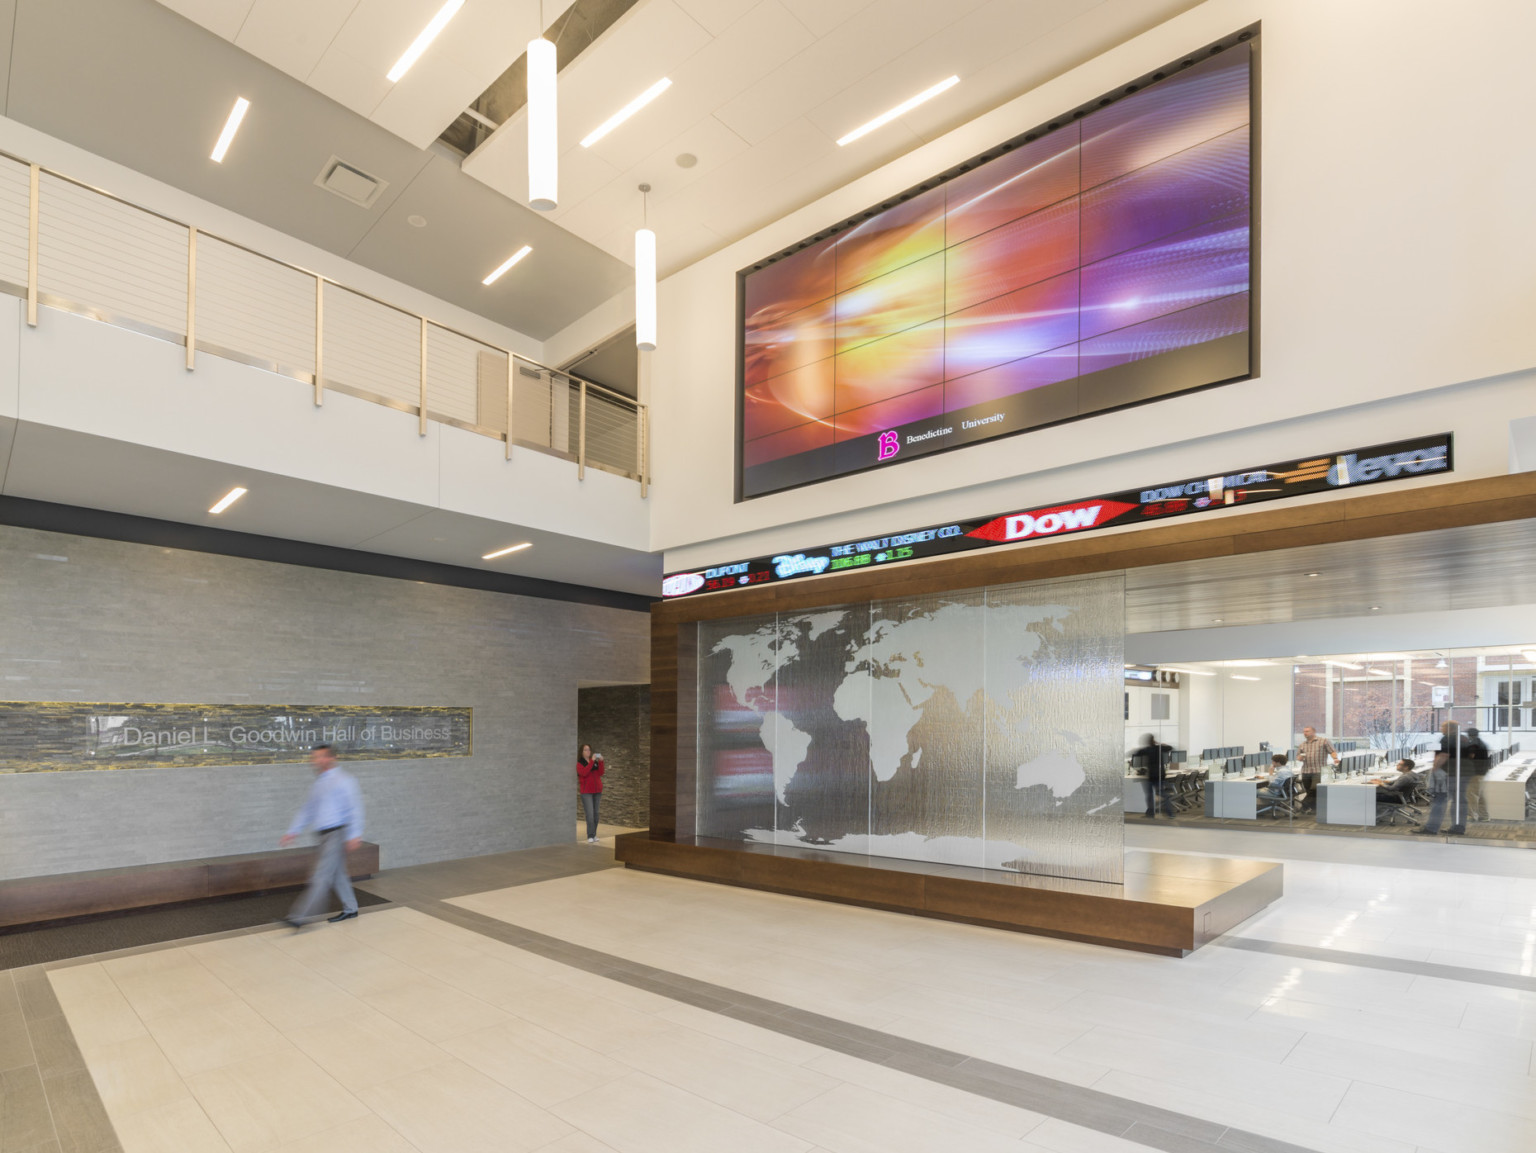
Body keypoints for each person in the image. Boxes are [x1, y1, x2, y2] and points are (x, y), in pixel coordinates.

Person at [280, 744, 364, 928]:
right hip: (323, 835)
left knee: (321, 876)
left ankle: (298, 917)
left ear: (330, 758)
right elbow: (308, 810)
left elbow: (354, 808)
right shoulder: (319, 783)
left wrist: (355, 835)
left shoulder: (344, 780)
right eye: (314, 757)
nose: (315, 761)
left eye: (318, 757)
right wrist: (293, 831)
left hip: (337, 833)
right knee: (337, 875)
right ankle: (351, 909)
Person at [1417, 721, 1470, 835]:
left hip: (1449, 774)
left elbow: (1443, 755)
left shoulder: (1447, 738)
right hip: (1463, 774)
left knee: (1440, 800)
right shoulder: (1464, 738)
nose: (1441, 728)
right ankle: (1458, 827)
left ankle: (1431, 828)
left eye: (1442, 726)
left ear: (1449, 728)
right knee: (1459, 801)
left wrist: (1435, 769)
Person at [1295, 726, 1340, 812]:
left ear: (1313, 732)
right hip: (1306, 771)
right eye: (1304, 732)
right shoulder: (1302, 745)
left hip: (1318, 771)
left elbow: (1332, 751)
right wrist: (1299, 758)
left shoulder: (1323, 741)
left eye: (1307, 731)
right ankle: (1313, 809)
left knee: (1314, 790)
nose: (1305, 733)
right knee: (1308, 791)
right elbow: (1298, 756)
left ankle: (1304, 805)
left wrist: (1335, 758)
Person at [1130, 733, 1175, 818]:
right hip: (1160, 775)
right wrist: (1159, 743)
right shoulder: (1159, 748)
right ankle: (1170, 813)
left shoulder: (1147, 750)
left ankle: (1151, 813)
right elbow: (1170, 748)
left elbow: (1136, 753)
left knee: (1150, 795)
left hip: (1152, 776)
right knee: (1163, 794)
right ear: (1153, 740)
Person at [577, 744, 605, 843]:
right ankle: (590, 835)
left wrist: (601, 761)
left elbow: (601, 773)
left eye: (589, 750)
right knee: (590, 815)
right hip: (586, 792)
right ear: (582, 752)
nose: (588, 751)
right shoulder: (580, 763)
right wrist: (592, 761)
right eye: (586, 750)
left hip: (597, 791)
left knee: (596, 814)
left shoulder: (595, 762)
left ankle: (594, 834)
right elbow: (584, 773)